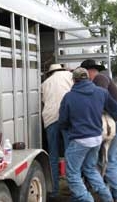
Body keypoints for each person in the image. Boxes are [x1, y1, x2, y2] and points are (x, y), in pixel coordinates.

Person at [58, 67, 117, 202]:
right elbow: (116, 109)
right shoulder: (101, 92)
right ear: (88, 78)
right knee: (90, 169)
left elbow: (62, 121)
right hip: (97, 138)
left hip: (80, 140)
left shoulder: (69, 97)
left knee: (73, 174)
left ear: (74, 80)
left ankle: (86, 199)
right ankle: (107, 198)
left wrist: (69, 127)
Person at [81, 59, 117, 202]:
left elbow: (99, 99)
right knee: (108, 159)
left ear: (89, 71)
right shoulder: (101, 79)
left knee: (110, 161)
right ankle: (113, 191)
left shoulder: (99, 79)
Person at [41, 63, 73, 199]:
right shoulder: (70, 76)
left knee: (53, 155)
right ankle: (73, 188)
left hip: (50, 119)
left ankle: (54, 191)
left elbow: (43, 100)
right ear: (62, 69)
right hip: (67, 118)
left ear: (50, 72)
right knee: (70, 155)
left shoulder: (45, 83)